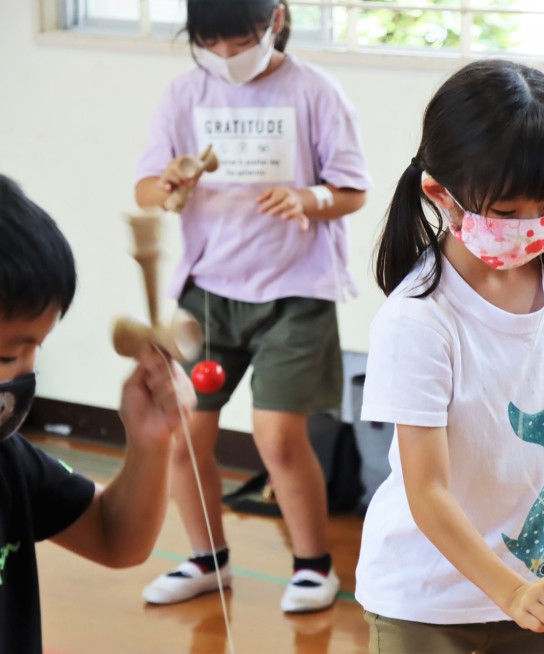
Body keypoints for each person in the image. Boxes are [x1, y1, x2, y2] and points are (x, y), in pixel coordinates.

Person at [354, 59, 544, 654]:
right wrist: (507, 593)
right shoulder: (419, 319)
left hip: (535, 582)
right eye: (506, 213)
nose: (530, 227)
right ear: (441, 194)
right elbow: (426, 489)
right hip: (424, 600)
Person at [134, 0, 371, 613]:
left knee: (278, 437)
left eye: (240, 42)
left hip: (295, 291)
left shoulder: (315, 91)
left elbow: (352, 190)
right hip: (206, 292)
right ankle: (206, 559)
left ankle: (314, 566)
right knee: (184, 436)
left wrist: (309, 198)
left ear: (276, 20)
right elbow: (145, 186)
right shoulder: (185, 93)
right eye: (212, 45)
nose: (226, 58)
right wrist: (170, 185)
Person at [0, 175, 195, 653]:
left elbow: (115, 536)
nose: (26, 374)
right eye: (9, 358)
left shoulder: (9, 462)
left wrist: (150, 440)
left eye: (35, 351)